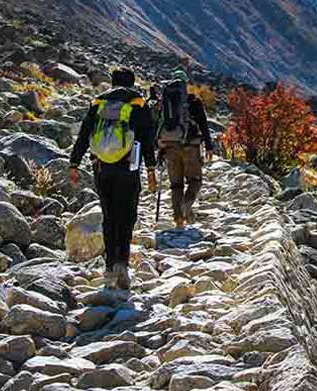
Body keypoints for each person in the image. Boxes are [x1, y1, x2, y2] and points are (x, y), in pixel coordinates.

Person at [69, 67, 156, 290]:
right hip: (128, 167)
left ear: (113, 81)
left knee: (108, 216)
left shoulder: (98, 102)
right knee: (127, 215)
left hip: (101, 167)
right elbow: (147, 138)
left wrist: (74, 163)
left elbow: (84, 133)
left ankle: (108, 268)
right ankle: (122, 265)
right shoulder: (138, 103)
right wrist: (151, 169)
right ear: (132, 82)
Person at [156, 69, 213, 228]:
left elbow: (160, 125)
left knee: (176, 184)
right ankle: (187, 206)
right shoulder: (193, 100)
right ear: (185, 84)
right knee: (195, 181)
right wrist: (209, 146)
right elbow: (203, 124)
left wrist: (160, 150)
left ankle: (178, 218)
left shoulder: (166, 102)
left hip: (170, 147)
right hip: (191, 146)